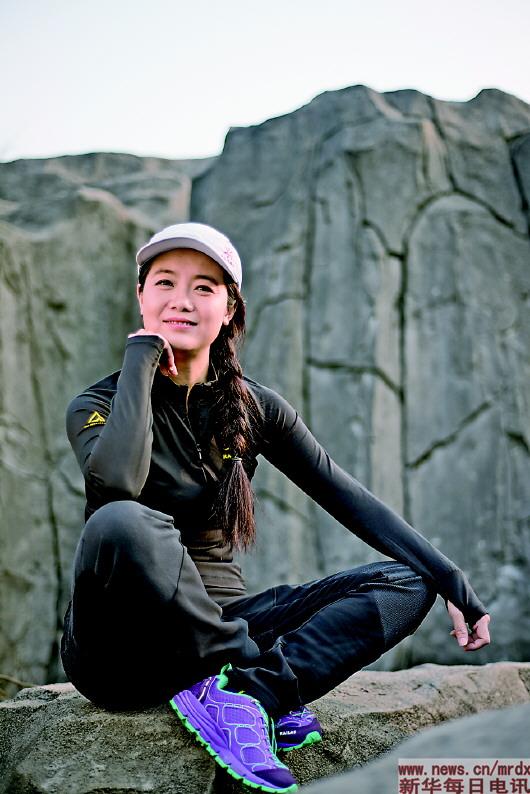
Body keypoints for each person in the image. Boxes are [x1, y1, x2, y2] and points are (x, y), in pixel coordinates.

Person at [60, 222, 491, 794]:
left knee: (408, 582)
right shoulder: (95, 404)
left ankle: (251, 695)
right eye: (164, 283)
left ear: (229, 310)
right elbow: (117, 483)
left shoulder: (256, 408)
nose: (181, 300)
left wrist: (450, 578)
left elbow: (350, 499)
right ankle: (244, 671)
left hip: (223, 627)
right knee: (121, 520)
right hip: (120, 654)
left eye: (203, 287)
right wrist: (142, 358)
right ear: (141, 296)